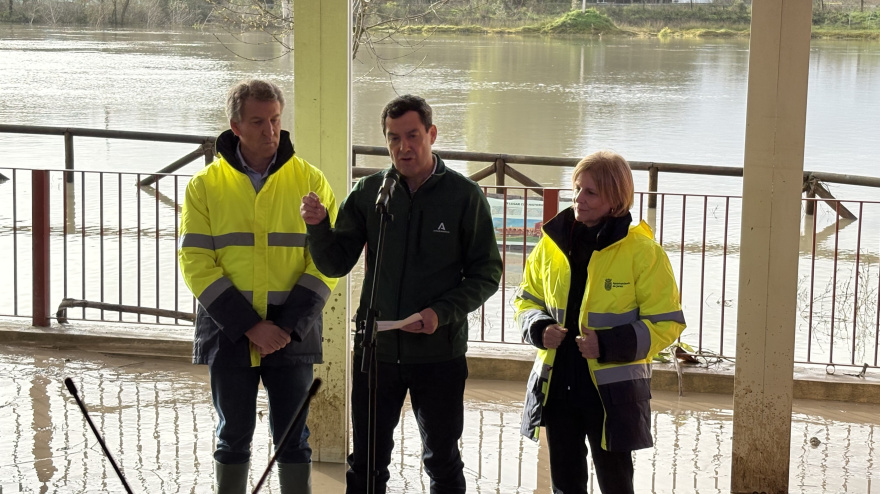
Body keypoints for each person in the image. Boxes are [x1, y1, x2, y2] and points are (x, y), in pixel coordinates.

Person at [300, 94, 503, 494]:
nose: (403, 147)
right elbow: (335, 264)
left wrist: (442, 312)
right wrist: (319, 227)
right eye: (393, 138)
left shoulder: (464, 196)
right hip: (377, 353)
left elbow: (487, 273)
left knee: (441, 458)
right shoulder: (370, 193)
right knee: (367, 462)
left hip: (439, 353)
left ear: (431, 134)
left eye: (412, 136)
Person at [178, 79, 338, 494]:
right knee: (232, 437)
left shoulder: (311, 181)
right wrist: (251, 326)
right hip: (228, 333)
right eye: (257, 122)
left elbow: (327, 264)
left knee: (293, 440)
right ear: (236, 127)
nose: (270, 131)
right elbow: (195, 262)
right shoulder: (203, 187)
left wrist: (284, 327)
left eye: (275, 120)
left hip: (292, 335)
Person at [514, 151, 686, 494]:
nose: (579, 199)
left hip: (612, 394)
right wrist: (538, 327)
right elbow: (525, 299)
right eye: (577, 189)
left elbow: (667, 324)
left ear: (615, 199)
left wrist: (606, 344)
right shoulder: (551, 244)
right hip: (558, 384)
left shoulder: (644, 252)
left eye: (590, 192)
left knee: (616, 484)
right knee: (564, 483)